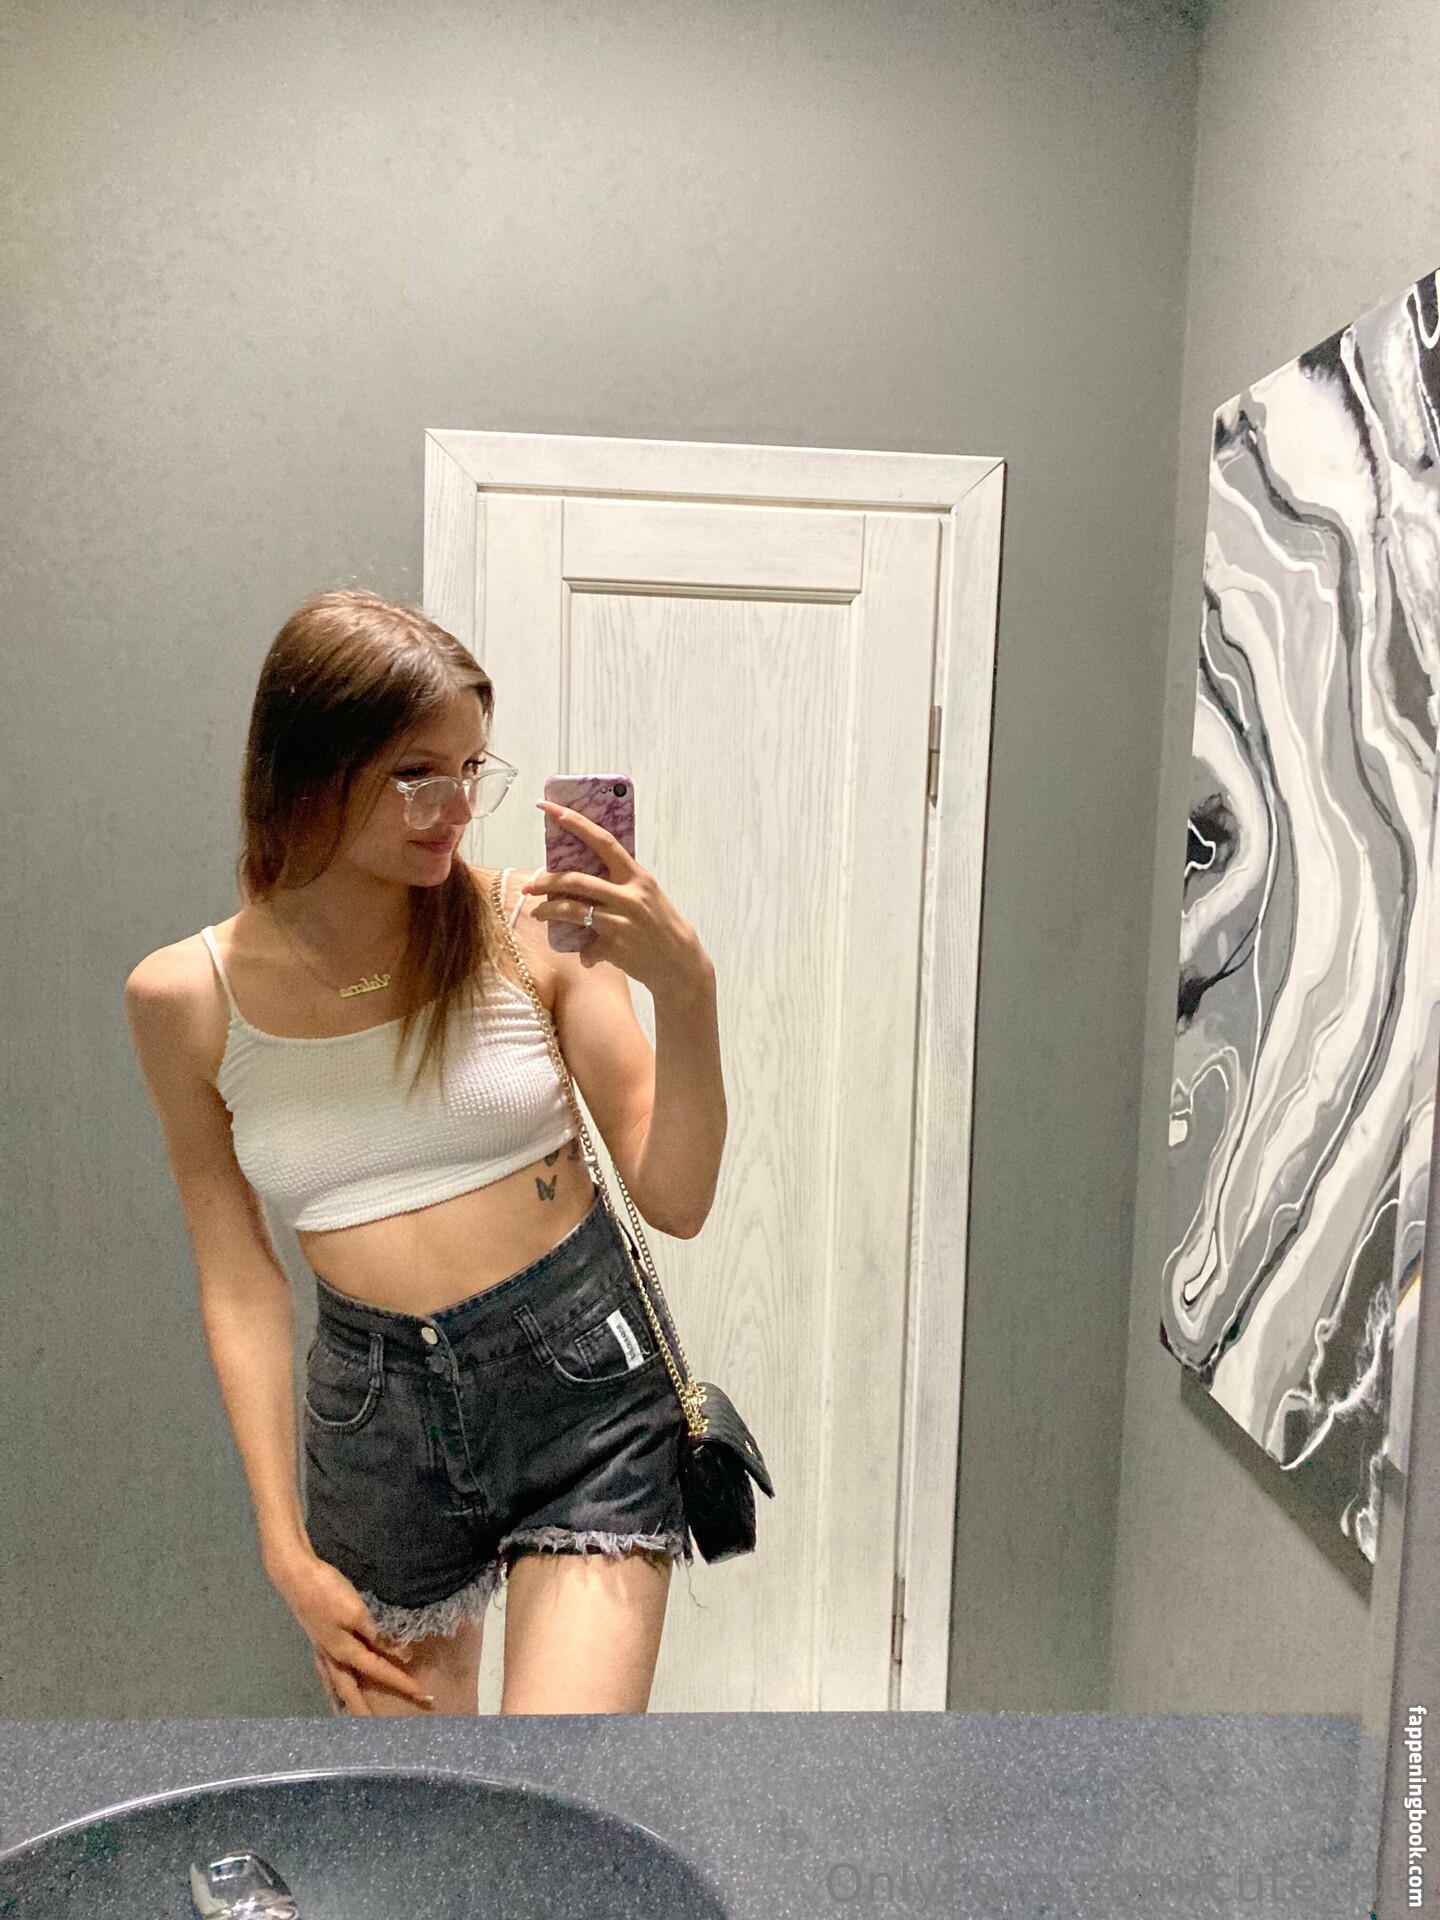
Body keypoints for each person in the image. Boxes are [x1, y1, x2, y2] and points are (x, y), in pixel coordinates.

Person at [124, 589, 726, 1715]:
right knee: (412, 1804)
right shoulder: (181, 999)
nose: (455, 808)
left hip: (583, 1398)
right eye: (416, 773)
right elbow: (239, 1275)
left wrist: (689, 994)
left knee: (556, 1801)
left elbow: (677, 1196)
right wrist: (282, 1544)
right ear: (308, 768)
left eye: (470, 768)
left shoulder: (531, 923)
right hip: (373, 1425)